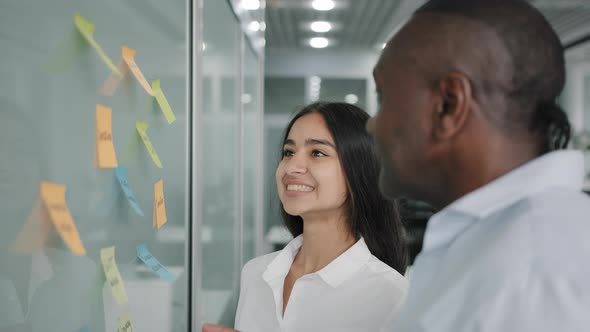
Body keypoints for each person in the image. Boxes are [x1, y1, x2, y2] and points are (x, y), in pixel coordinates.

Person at [366, 0, 590, 331]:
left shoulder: (534, 279)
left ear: (448, 105)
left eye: (384, 97)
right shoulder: (505, 246)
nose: (372, 126)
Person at [205, 102, 409, 332]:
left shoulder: (392, 298)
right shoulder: (255, 274)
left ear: (359, 170)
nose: (292, 166)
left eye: (317, 153)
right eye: (288, 152)